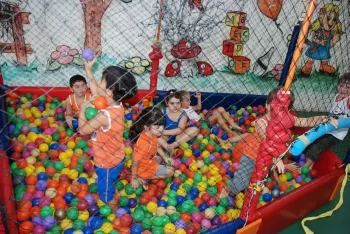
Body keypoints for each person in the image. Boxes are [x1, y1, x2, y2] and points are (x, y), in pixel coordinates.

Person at [220, 86, 338, 197]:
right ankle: (228, 189)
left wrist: (325, 119)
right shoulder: (261, 122)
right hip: (252, 156)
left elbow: (306, 121)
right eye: (275, 105)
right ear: (267, 105)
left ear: (288, 111)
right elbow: (266, 141)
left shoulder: (286, 120)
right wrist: (276, 160)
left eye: (283, 108)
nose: (278, 110)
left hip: (269, 158)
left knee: (259, 181)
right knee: (242, 182)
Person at [79, 57, 137, 210]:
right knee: (109, 181)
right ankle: (112, 186)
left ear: (109, 91)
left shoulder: (104, 116)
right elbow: (97, 90)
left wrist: (83, 110)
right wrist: (88, 69)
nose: (98, 83)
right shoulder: (118, 105)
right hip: (117, 156)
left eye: (101, 81)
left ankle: (113, 211)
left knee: (105, 195)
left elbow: (82, 130)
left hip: (107, 163)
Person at [302, 72, 350, 169]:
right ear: (338, 85)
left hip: (336, 133)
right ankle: (309, 161)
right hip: (327, 127)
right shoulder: (336, 96)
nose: (343, 89)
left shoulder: (348, 100)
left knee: (319, 145)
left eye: (348, 87)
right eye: (341, 85)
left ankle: (304, 168)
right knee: (313, 139)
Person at [129, 107, 175, 190]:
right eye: (157, 127)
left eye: (162, 126)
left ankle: (147, 174)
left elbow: (156, 146)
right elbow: (135, 162)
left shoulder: (152, 134)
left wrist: (164, 157)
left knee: (160, 158)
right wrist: (133, 178)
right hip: (144, 169)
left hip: (150, 160)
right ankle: (144, 178)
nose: (161, 129)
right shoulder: (143, 143)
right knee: (171, 171)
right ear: (146, 127)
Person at [179, 90, 246, 142]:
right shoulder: (182, 111)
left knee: (221, 109)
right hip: (200, 125)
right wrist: (190, 123)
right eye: (187, 100)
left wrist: (199, 98)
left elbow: (198, 107)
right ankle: (228, 131)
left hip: (203, 119)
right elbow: (183, 124)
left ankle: (234, 125)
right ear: (181, 102)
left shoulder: (189, 107)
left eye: (189, 99)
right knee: (217, 115)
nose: (190, 101)